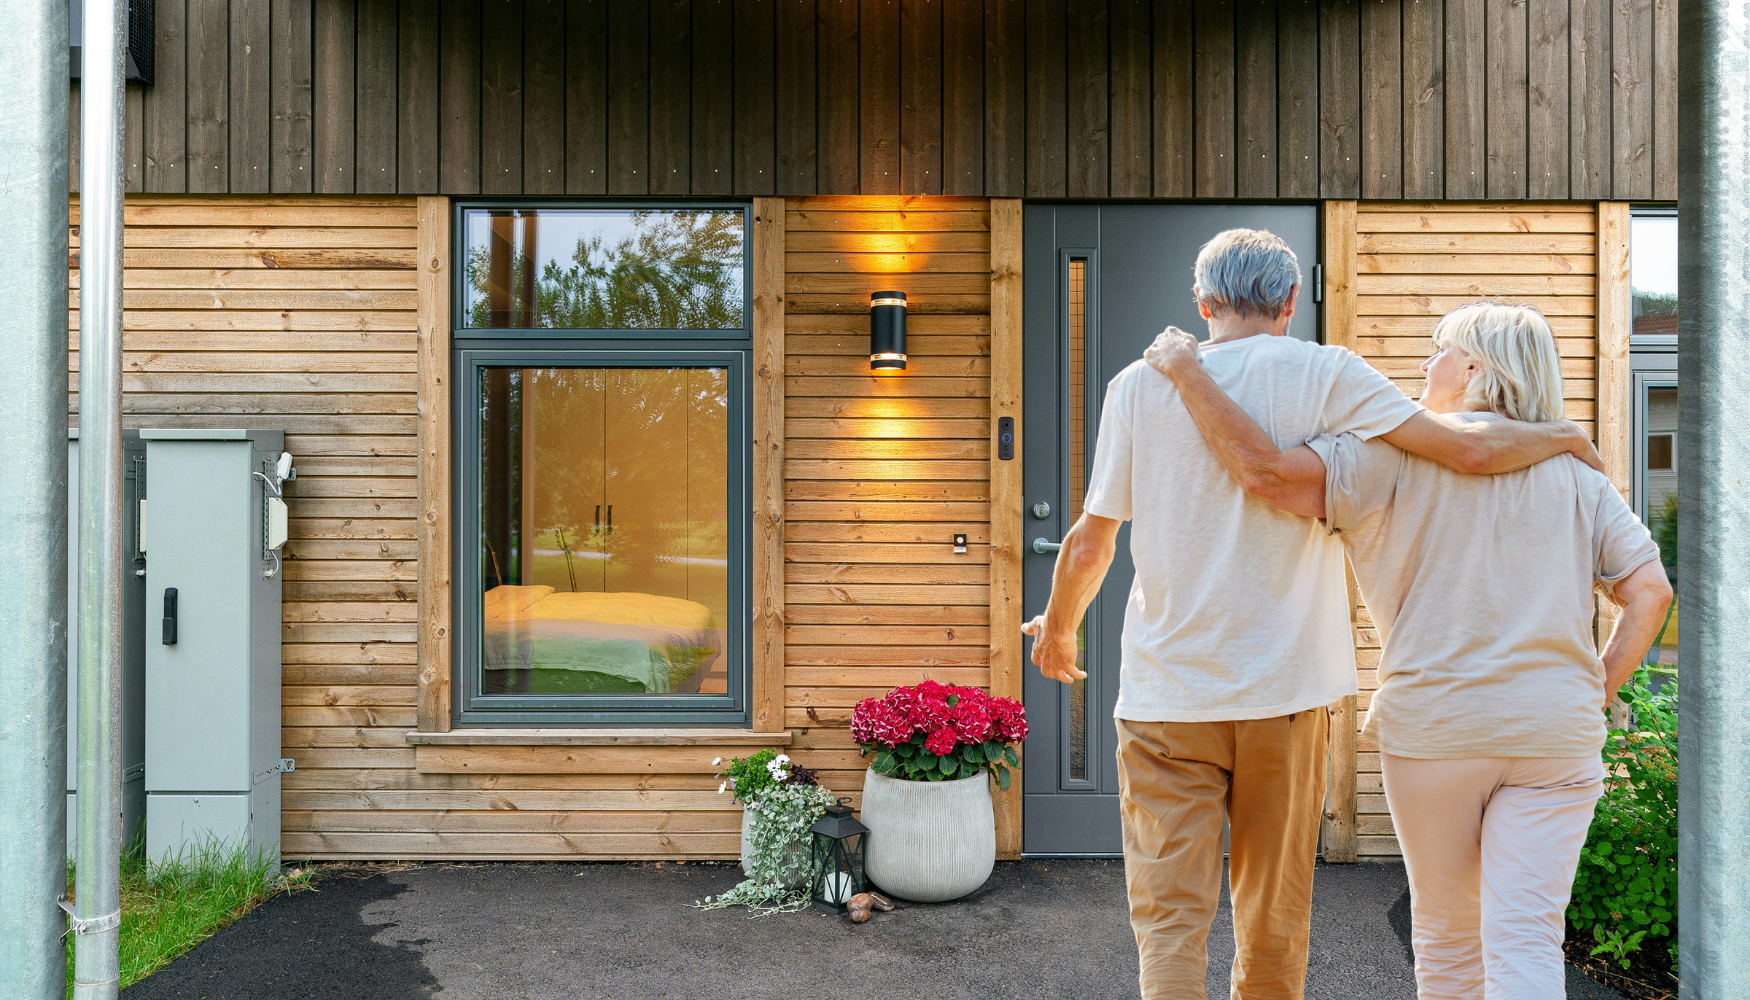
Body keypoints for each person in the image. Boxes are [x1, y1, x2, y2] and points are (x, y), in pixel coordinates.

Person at [1021, 230, 1605, 1000]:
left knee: (1169, 924)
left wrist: (1060, 626)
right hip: (1288, 695)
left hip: (1167, 698)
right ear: (1292, 301)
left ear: (1203, 304)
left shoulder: (1139, 382)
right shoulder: (1332, 374)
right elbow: (1465, 448)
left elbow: (1092, 539)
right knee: (1273, 917)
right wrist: (1563, 434)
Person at [1142, 302, 1672, 999]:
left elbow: (1266, 473)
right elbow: (1651, 592)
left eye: (1440, 350)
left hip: (1436, 730)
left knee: (1450, 941)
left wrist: (1186, 373)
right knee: (1526, 938)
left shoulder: (1383, 459)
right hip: (1555, 733)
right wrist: (1595, 691)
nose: (1426, 365)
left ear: (1477, 367)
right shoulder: (1576, 471)